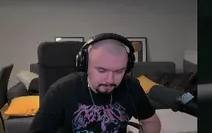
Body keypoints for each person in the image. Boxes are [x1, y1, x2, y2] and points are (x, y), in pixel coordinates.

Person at [30, 33, 160, 133]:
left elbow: (151, 122)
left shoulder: (131, 87)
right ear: (85, 65)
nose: (110, 80)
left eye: (119, 71)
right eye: (102, 70)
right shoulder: (61, 90)